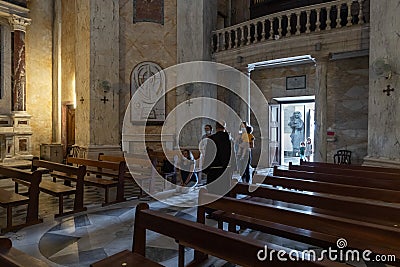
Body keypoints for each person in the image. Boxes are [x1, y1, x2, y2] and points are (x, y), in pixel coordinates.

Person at [203, 120, 236, 196]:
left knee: (213, 193)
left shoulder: (211, 139)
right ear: (225, 127)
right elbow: (233, 155)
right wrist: (234, 167)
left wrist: (206, 168)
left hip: (213, 170)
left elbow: (209, 155)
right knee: (225, 191)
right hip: (226, 171)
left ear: (216, 127)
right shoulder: (230, 140)